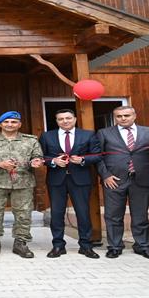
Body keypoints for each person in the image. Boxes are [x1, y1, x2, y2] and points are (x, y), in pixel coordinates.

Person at [96, 106, 149, 260]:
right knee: (113, 216)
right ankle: (115, 246)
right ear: (115, 118)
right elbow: (98, 157)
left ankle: (143, 246)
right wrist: (105, 175)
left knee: (140, 216)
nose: (123, 118)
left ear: (134, 115)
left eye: (126, 115)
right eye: (119, 116)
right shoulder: (104, 133)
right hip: (114, 180)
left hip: (141, 179)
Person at [0, 111, 44, 259]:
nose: (10, 124)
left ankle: (21, 243)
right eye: (6, 122)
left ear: (19, 124)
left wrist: (36, 162)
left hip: (23, 181)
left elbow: (37, 156)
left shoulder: (31, 140)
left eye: (14, 122)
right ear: (0, 124)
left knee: (24, 213)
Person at [39, 109, 101, 259]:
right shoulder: (47, 136)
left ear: (74, 119)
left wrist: (83, 160)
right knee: (57, 213)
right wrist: (53, 161)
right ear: (57, 121)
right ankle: (58, 245)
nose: (65, 121)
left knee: (83, 212)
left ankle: (85, 246)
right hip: (56, 180)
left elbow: (97, 155)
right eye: (61, 119)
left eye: (68, 118)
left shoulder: (88, 134)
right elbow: (40, 156)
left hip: (80, 179)